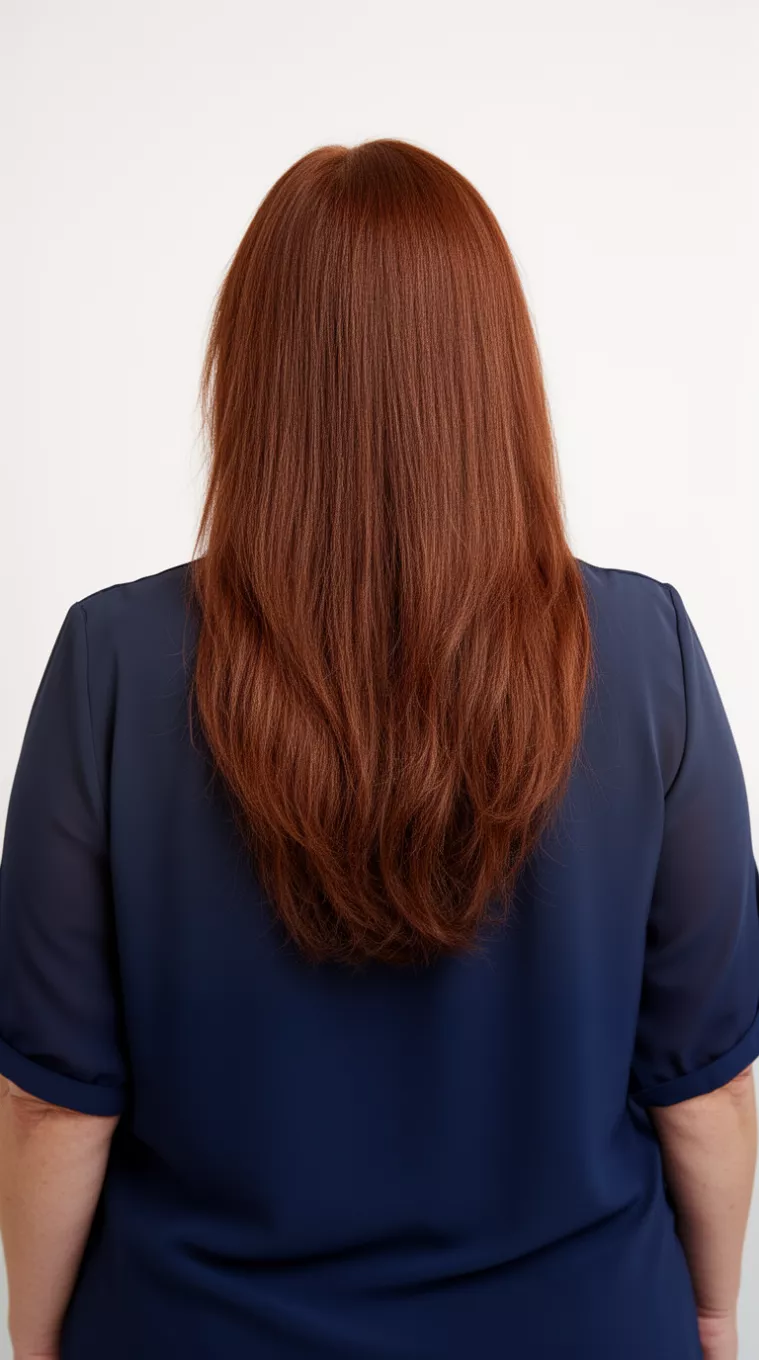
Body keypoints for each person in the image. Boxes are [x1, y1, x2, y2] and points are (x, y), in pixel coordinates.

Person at [0, 138, 757, 1360]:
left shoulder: (112, 663)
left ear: (250, 377)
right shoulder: (645, 651)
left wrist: (32, 1346)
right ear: (493, 377)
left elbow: (49, 1104)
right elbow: (708, 1086)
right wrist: (714, 1311)